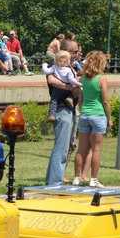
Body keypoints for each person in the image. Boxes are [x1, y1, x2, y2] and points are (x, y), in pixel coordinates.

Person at [70, 51, 112, 187]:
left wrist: (83, 111)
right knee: (96, 149)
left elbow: (80, 99)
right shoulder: (101, 79)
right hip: (98, 115)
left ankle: (77, 178)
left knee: (81, 148)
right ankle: (94, 179)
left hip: (85, 114)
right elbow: (105, 100)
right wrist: (109, 118)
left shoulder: (82, 79)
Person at [45, 38, 82, 186]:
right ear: (66, 51)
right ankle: (53, 183)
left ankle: (54, 180)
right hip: (61, 109)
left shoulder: (70, 67)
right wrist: (70, 87)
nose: (77, 54)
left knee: (65, 147)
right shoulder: (56, 64)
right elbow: (51, 81)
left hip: (70, 109)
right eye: (75, 51)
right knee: (61, 147)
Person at [42, 50, 80, 121]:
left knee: (54, 100)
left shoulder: (54, 67)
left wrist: (44, 65)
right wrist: (77, 83)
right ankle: (70, 98)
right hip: (68, 89)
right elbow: (71, 80)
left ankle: (51, 115)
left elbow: (46, 71)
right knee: (77, 91)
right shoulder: (68, 69)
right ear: (66, 61)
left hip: (57, 89)